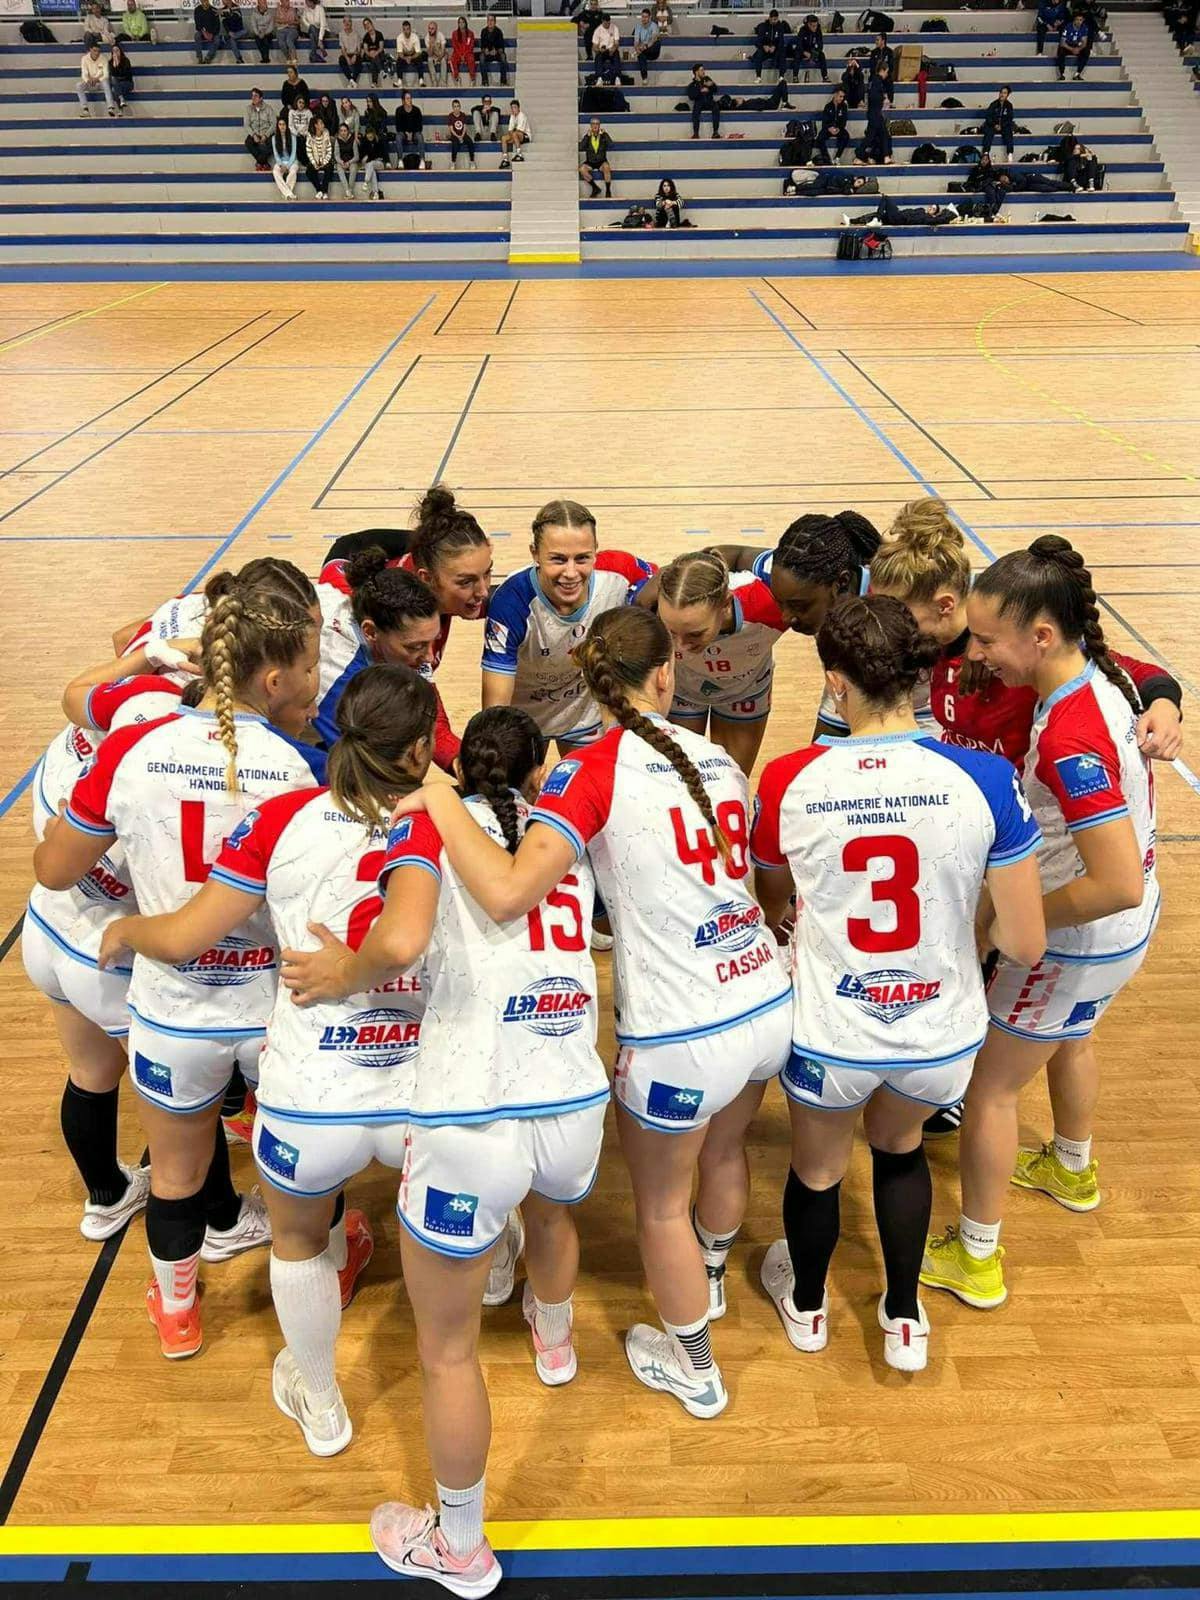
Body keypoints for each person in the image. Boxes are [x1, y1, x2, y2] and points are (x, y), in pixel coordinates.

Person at [391, 606, 792, 1409]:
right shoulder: (715, 756)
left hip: (686, 1028)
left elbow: (507, 892)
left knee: (659, 1210)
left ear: (590, 683)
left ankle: (698, 1369)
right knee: (725, 1156)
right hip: (765, 992)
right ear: (667, 675)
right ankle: (710, 1276)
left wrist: (439, 801)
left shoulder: (590, 771)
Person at [282, 705, 608, 1594]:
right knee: (552, 1216)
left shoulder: (424, 824)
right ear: (538, 769)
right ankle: (555, 1339)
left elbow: (401, 942)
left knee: (448, 1352)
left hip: (474, 1116)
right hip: (575, 1097)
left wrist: (343, 971)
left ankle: (459, 1548)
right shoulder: (558, 840)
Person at [102, 665, 435, 1454]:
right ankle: (492, 1290)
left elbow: (184, 937)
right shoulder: (452, 820)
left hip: (312, 1092)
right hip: (422, 1086)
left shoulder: (282, 815)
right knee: (447, 1242)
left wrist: (125, 934)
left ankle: (320, 1401)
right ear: (422, 749)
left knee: (295, 1244)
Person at [751, 594, 1044, 1371]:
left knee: (816, 1170)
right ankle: (905, 1315)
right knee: (901, 1147)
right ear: (915, 677)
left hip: (830, 1028)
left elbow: (773, 902)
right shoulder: (983, 776)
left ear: (834, 681)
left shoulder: (788, 778)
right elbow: (1025, 938)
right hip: (940, 1029)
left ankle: (809, 1309)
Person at [34, 583, 324, 1360]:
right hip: (269, 1012)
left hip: (172, 1013)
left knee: (174, 1172)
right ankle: (315, 1269)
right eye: (310, 665)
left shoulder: (133, 748)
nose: (318, 681)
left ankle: (179, 1313)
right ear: (273, 680)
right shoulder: (293, 771)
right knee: (298, 1162)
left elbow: (55, 869)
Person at [868, 504, 1182, 1140]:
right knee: (1062, 1028)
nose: (890, 629)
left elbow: (1133, 671)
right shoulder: (945, 650)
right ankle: (1069, 1156)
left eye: (901, 616)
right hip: (994, 842)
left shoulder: (1021, 652)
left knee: (1003, 1039)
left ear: (946, 604)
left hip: (1029, 858)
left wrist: (1167, 704)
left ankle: (957, 1106)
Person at [921, 537, 1161, 1312]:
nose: (979, 653)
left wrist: (1010, 925)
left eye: (989, 640)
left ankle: (978, 1257)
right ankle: (1071, 1164)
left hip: (1078, 939)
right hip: (1119, 942)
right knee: (1073, 1032)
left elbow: (1114, 881)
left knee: (989, 1091)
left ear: (1042, 637)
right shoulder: (1102, 683)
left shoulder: (1067, 734)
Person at [25, 660, 183, 1244]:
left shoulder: (70, 748)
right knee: (181, 1119)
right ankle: (221, 1217)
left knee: (90, 1073)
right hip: (112, 962)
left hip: (48, 933)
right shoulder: (146, 789)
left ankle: (106, 1199)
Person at [482, 501, 654, 752]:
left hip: (585, 715)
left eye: (582, 558)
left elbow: (670, 586)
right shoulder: (511, 601)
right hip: (525, 719)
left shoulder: (619, 575)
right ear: (535, 554)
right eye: (558, 560)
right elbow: (495, 710)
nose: (571, 573)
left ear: (596, 550)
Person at [636, 549, 785, 776]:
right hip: (681, 691)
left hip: (745, 692)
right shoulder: (646, 603)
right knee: (678, 784)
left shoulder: (770, 604)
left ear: (726, 604)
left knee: (732, 780)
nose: (680, 646)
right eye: (670, 631)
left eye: (695, 634)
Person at [314, 551, 447, 750]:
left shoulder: (366, 604)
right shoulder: (340, 677)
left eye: (432, 642)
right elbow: (366, 766)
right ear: (371, 632)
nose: (429, 657)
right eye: (415, 646)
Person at [849, 194, 958, 226]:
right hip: (899, 214)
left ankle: (877, 220)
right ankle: (853, 221)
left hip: (900, 219)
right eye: (931, 206)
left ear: (935, 212)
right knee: (877, 214)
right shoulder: (921, 210)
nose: (930, 208)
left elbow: (938, 220)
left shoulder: (927, 218)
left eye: (933, 208)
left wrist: (950, 213)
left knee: (886, 198)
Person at [77, 42, 116, 116]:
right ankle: (85, 109)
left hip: (100, 83)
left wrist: (97, 79)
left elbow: (106, 75)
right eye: (95, 51)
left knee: (105, 82)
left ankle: (110, 107)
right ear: (90, 50)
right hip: (89, 83)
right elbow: (84, 73)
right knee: (79, 85)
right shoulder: (84, 59)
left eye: (98, 51)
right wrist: (88, 80)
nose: (97, 53)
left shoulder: (103, 59)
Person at [578, 118, 613, 197]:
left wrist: (605, 134)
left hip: (601, 161)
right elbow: (581, 147)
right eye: (593, 124)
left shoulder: (604, 135)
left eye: (597, 124)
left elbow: (611, 145)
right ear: (590, 126)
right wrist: (587, 136)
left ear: (599, 126)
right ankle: (595, 188)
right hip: (590, 161)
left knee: (607, 167)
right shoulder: (587, 136)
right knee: (582, 169)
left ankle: (608, 190)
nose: (595, 126)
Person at [751, 9, 789, 81]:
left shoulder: (780, 27)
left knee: (782, 53)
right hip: (765, 49)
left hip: (775, 50)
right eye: (773, 19)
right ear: (769, 18)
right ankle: (758, 76)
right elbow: (758, 41)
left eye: (776, 19)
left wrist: (775, 47)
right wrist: (764, 46)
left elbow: (781, 41)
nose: (774, 21)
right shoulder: (763, 26)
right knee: (759, 54)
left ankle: (781, 77)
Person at [816, 85, 849, 164]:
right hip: (829, 128)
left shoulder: (844, 106)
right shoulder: (828, 106)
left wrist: (838, 128)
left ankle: (837, 157)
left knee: (846, 136)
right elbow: (824, 122)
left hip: (839, 128)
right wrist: (829, 128)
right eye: (840, 96)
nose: (842, 98)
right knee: (820, 138)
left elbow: (844, 121)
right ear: (835, 95)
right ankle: (826, 158)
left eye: (843, 97)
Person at [687, 63, 721, 139]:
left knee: (716, 106)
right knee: (695, 110)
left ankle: (715, 132)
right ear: (696, 72)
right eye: (701, 70)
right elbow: (691, 96)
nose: (704, 72)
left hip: (709, 101)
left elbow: (715, 89)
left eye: (703, 70)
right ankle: (696, 133)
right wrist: (700, 91)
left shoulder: (707, 79)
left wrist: (711, 86)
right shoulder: (692, 85)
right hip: (699, 102)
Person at [244, 86, 275, 169]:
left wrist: (266, 135)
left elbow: (274, 124)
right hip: (255, 133)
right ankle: (264, 163)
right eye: (252, 96)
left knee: (274, 142)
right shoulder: (248, 109)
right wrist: (254, 135)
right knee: (248, 142)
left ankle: (259, 162)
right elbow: (246, 125)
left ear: (261, 98)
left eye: (256, 96)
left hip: (266, 133)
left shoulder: (268, 108)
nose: (253, 98)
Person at [981, 85, 1014, 160]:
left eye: (1004, 93)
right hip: (993, 125)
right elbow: (988, 117)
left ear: (1007, 95)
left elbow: (1009, 118)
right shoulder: (993, 104)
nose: (1002, 94)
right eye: (1001, 92)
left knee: (1009, 131)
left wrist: (1001, 125)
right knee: (988, 131)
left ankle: (1010, 154)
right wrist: (994, 125)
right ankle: (986, 153)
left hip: (1004, 126)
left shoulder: (1009, 105)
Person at [792, 13, 828, 82]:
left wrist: (813, 55)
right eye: (813, 26)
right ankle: (795, 76)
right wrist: (804, 52)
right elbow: (799, 44)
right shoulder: (802, 30)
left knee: (822, 55)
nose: (815, 28)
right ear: (808, 24)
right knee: (797, 54)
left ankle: (825, 77)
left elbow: (820, 45)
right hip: (803, 51)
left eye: (816, 25)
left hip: (813, 51)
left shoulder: (818, 30)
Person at [270, 112, 299, 197]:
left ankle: (285, 194)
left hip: (292, 161)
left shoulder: (293, 137)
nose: (282, 126)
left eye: (284, 124)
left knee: (293, 172)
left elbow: (293, 154)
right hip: (281, 162)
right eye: (280, 124)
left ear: (287, 126)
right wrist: (281, 164)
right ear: (277, 126)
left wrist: (287, 166)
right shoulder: (274, 138)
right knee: (275, 171)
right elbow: (276, 154)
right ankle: (289, 194)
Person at [395, 90, 427, 168]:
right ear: (403, 101)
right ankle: (400, 160)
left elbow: (419, 126)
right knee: (398, 137)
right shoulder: (399, 110)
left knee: (420, 136)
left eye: (410, 98)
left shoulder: (416, 110)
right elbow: (398, 126)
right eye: (407, 98)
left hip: (414, 133)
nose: (410, 100)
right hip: (403, 133)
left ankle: (422, 160)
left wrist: (412, 133)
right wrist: (405, 133)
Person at [305, 115, 334, 197]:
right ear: (316, 125)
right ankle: (319, 190)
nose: (323, 125)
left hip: (325, 160)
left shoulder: (326, 133)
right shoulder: (309, 135)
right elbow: (309, 151)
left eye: (323, 123)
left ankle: (325, 191)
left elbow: (329, 150)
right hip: (315, 161)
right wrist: (314, 163)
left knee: (329, 168)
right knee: (309, 171)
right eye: (321, 123)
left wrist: (324, 162)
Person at [1057, 6, 1091, 77]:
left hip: (1077, 46)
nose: (1079, 22)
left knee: (1087, 51)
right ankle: (1061, 74)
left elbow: (1084, 42)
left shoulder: (1084, 28)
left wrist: (1078, 49)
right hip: (1068, 46)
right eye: (1077, 20)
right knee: (1060, 50)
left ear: (1083, 20)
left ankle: (1078, 73)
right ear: (1074, 20)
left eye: (1080, 20)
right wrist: (1072, 49)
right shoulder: (1067, 27)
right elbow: (1062, 42)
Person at [362, 93, 393, 167]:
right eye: (367, 101)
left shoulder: (382, 112)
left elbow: (383, 125)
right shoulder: (367, 112)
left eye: (370, 101)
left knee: (382, 138)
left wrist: (377, 134)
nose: (368, 103)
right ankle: (365, 160)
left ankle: (387, 161)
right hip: (371, 133)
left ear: (374, 101)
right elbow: (368, 126)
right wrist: (372, 133)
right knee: (364, 139)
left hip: (380, 132)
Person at [590, 12, 621, 83]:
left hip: (611, 50)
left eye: (608, 23)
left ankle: (617, 77)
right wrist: (599, 50)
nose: (607, 25)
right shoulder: (598, 30)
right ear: (602, 21)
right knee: (598, 57)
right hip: (602, 51)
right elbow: (594, 46)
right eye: (606, 23)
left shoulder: (614, 28)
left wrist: (613, 49)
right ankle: (599, 77)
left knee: (616, 54)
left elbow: (616, 43)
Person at [479, 13, 508, 85]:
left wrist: (496, 51)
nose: (490, 22)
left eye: (492, 20)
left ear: (495, 22)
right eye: (488, 20)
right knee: (481, 57)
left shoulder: (499, 32)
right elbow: (482, 47)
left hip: (496, 53)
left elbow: (501, 48)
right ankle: (485, 81)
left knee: (503, 56)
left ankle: (503, 81)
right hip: (487, 54)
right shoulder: (483, 31)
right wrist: (485, 50)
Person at [499, 99, 530, 166]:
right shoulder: (512, 116)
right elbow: (510, 130)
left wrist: (512, 136)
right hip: (515, 136)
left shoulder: (522, 116)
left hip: (525, 136)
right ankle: (505, 159)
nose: (513, 109)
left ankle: (519, 154)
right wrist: (511, 136)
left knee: (515, 133)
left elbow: (520, 131)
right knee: (503, 138)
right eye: (512, 108)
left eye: (515, 107)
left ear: (519, 108)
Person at [395, 19, 426, 85]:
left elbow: (418, 52)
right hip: (404, 55)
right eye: (404, 29)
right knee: (398, 60)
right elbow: (400, 53)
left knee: (420, 59)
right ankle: (399, 80)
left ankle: (421, 79)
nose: (406, 31)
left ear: (410, 29)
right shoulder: (399, 37)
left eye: (407, 29)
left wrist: (410, 58)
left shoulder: (415, 37)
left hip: (413, 55)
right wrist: (406, 58)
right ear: (402, 30)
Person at [447, 99, 476, 168]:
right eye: (455, 106)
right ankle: (453, 162)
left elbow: (465, 127)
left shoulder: (463, 115)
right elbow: (451, 129)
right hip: (454, 135)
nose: (456, 108)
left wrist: (462, 136)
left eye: (458, 106)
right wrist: (458, 137)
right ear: (452, 108)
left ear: (460, 107)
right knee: (455, 145)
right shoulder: (450, 116)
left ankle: (472, 161)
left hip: (463, 134)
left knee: (470, 143)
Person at [633, 8, 661, 81]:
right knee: (640, 55)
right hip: (644, 51)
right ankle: (644, 78)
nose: (644, 19)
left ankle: (640, 52)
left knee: (657, 43)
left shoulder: (654, 26)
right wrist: (636, 48)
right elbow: (636, 41)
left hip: (653, 51)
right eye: (643, 17)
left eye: (646, 17)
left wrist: (644, 47)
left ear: (649, 17)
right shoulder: (638, 27)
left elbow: (653, 40)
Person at [361, 18, 390, 83]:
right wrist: (370, 53)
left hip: (379, 53)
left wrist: (375, 53)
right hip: (369, 55)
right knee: (373, 58)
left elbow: (381, 47)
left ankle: (374, 82)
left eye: (368, 23)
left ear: (372, 24)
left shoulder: (379, 34)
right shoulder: (365, 37)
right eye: (365, 25)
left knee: (374, 60)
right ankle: (381, 70)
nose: (367, 26)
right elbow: (365, 50)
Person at [449, 15, 477, 85]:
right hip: (457, 53)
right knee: (452, 60)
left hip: (468, 53)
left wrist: (464, 55)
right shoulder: (454, 33)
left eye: (463, 22)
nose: (461, 24)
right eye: (459, 23)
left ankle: (472, 78)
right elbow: (454, 46)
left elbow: (471, 46)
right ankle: (457, 78)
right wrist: (460, 55)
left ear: (465, 23)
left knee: (471, 59)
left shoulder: (471, 33)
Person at [335, 122, 359, 197]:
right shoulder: (337, 141)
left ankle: (350, 189)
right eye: (341, 131)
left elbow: (356, 156)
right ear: (339, 132)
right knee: (339, 168)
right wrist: (341, 162)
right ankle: (347, 190)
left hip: (351, 161)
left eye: (345, 130)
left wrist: (349, 162)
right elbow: (336, 155)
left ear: (348, 131)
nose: (343, 132)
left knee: (354, 168)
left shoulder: (353, 140)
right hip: (341, 162)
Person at [287, 91, 311, 164]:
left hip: (306, 134)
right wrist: (297, 133)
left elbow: (311, 125)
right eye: (299, 102)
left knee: (306, 141)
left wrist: (305, 133)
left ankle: (307, 161)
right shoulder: (291, 112)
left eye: (303, 103)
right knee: (297, 141)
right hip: (295, 134)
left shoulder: (308, 112)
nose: (301, 104)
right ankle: (303, 161)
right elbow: (290, 126)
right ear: (296, 102)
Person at [109, 42, 133, 111]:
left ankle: (120, 110)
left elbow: (126, 74)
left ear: (120, 51)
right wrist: (115, 65)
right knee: (114, 86)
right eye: (114, 51)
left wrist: (118, 65)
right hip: (117, 84)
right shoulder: (110, 62)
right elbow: (113, 74)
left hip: (127, 83)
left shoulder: (126, 60)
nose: (115, 52)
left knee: (115, 88)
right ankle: (121, 99)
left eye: (117, 50)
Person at [337, 13, 361, 81]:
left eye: (349, 21)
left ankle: (353, 79)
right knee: (341, 59)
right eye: (345, 21)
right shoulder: (341, 34)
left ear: (351, 23)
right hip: (346, 54)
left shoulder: (356, 34)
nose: (347, 23)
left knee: (359, 60)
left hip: (354, 54)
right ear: (343, 23)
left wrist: (355, 55)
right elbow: (342, 49)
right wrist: (347, 58)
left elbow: (358, 49)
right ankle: (351, 79)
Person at [424, 20, 448, 84]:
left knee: (443, 60)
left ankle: (443, 82)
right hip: (433, 56)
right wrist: (431, 45)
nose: (430, 30)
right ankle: (434, 81)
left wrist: (438, 59)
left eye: (432, 28)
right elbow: (429, 54)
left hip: (441, 55)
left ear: (436, 29)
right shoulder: (427, 38)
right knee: (429, 60)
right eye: (429, 28)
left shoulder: (440, 35)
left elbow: (443, 50)